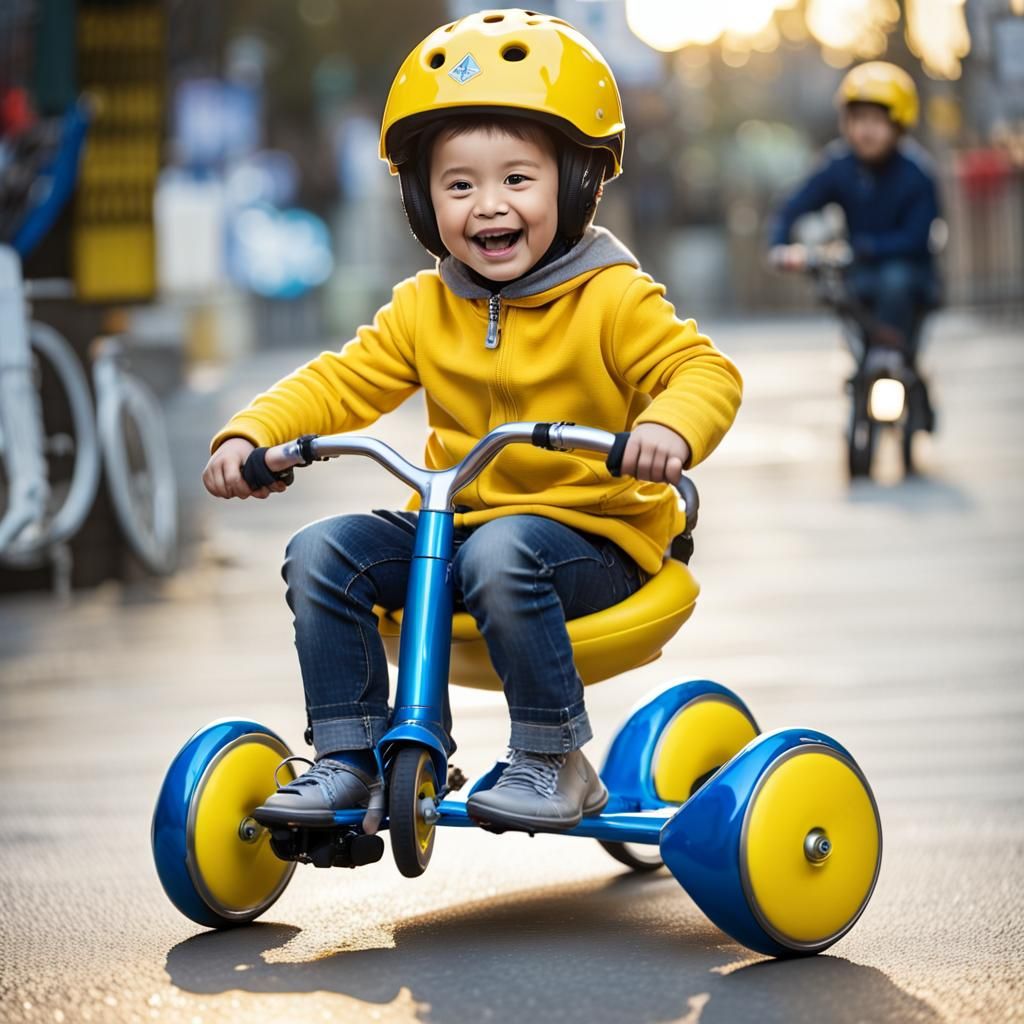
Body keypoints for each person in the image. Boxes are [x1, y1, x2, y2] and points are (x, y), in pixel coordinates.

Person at [202, 9, 742, 834]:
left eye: (517, 179)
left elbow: (702, 371)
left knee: (502, 550)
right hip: (460, 532)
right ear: (424, 200)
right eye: (459, 186)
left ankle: (555, 756)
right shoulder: (425, 305)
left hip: (597, 542)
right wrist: (253, 434)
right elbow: (341, 381)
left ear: (577, 183)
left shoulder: (613, 298)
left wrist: (669, 428)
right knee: (323, 552)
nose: (488, 206)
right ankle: (350, 758)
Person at [769, 61, 941, 358]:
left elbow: (916, 238)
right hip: (859, 274)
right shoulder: (839, 166)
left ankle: (895, 359)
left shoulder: (917, 174)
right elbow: (793, 205)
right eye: (859, 119)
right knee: (836, 290)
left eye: (877, 121)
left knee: (895, 279)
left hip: (911, 279)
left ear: (899, 123)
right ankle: (863, 364)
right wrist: (779, 244)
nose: (866, 130)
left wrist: (863, 248)